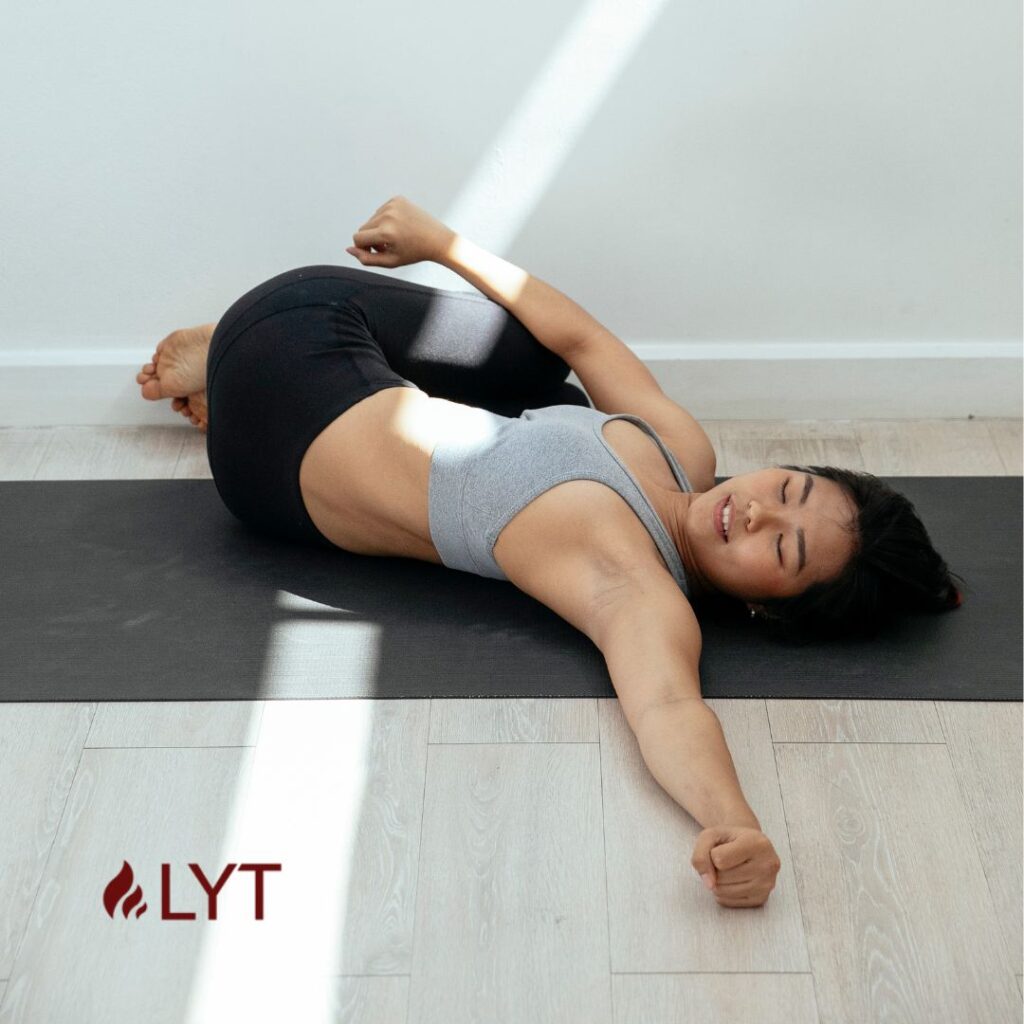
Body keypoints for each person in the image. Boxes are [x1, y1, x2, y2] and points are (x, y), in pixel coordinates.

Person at [136, 195, 964, 909]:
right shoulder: (683, 449)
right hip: (322, 340)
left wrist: (733, 823)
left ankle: (228, 371)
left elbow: (669, 708)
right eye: (786, 492)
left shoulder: (637, 589)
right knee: (549, 367)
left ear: (765, 607)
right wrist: (443, 244)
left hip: (281, 423)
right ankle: (228, 368)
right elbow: (585, 337)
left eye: (780, 552)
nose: (750, 514)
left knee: (539, 385)